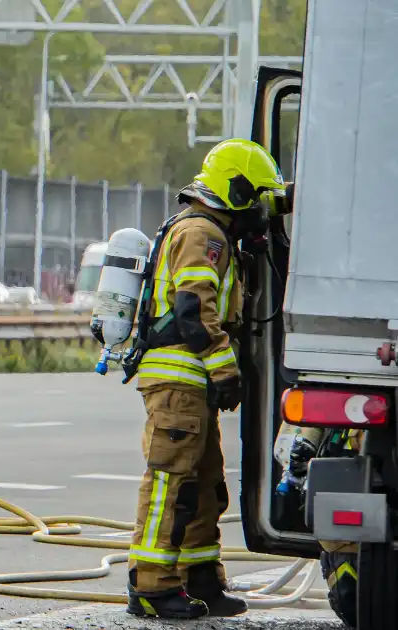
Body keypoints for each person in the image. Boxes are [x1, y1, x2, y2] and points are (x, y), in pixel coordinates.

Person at [124, 138, 287, 619]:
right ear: (236, 190)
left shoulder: (208, 232)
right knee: (170, 484)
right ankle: (151, 586)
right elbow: (194, 309)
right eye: (256, 198)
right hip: (180, 377)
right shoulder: (203, 234)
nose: (259, 211)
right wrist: (226, 369)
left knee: (203, 485)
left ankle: (199, 580)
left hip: (191, 382)